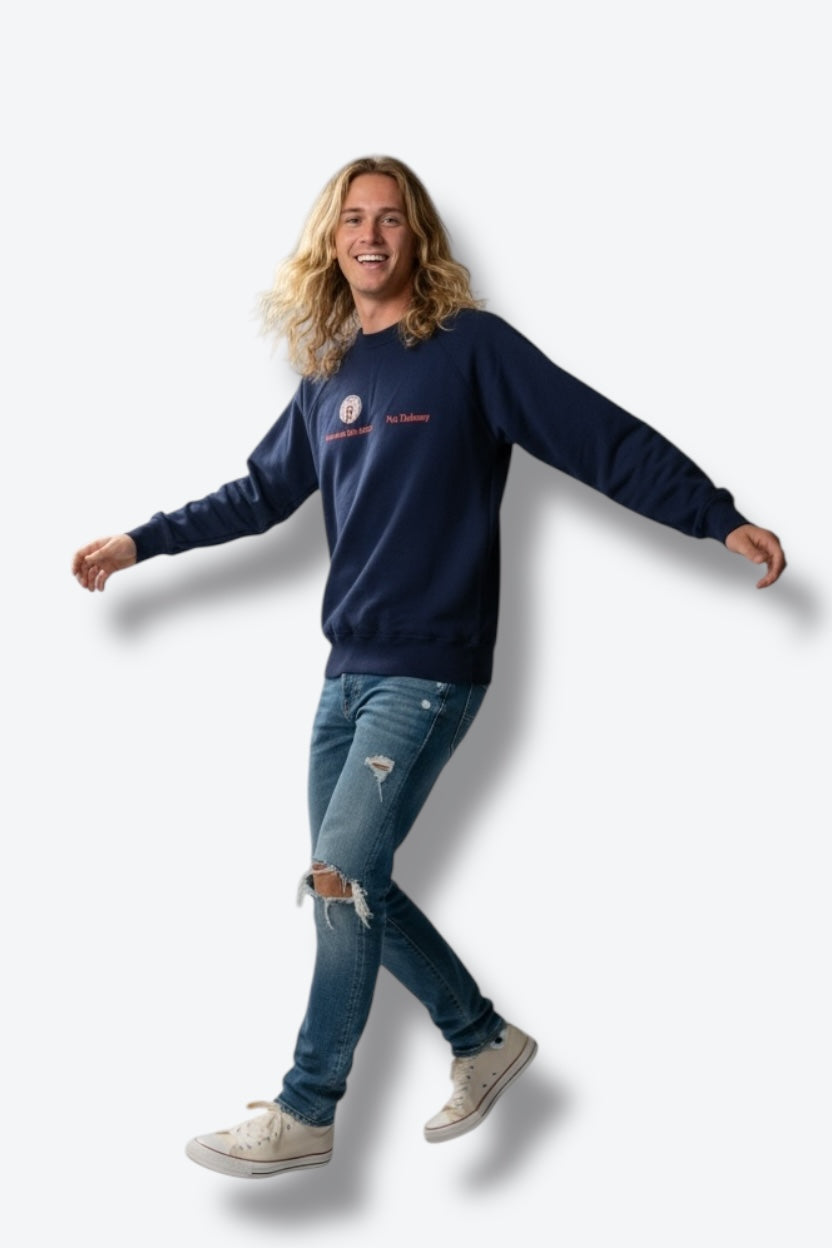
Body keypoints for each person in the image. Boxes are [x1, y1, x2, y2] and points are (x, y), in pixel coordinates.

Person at [72, 155, 786, 1180]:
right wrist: (140, 541)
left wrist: (714, 515)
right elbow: (258, 495)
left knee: (340, 877)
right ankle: (482, 1041)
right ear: (331, 243)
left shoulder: (469, 350)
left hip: (430, 669)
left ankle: (307, 1107)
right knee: (348, 882)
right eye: (353, 219)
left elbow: (597, 437)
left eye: (391, 219)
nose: (371, 235)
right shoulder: (328, 376)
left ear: (419, 238)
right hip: (344, 676)